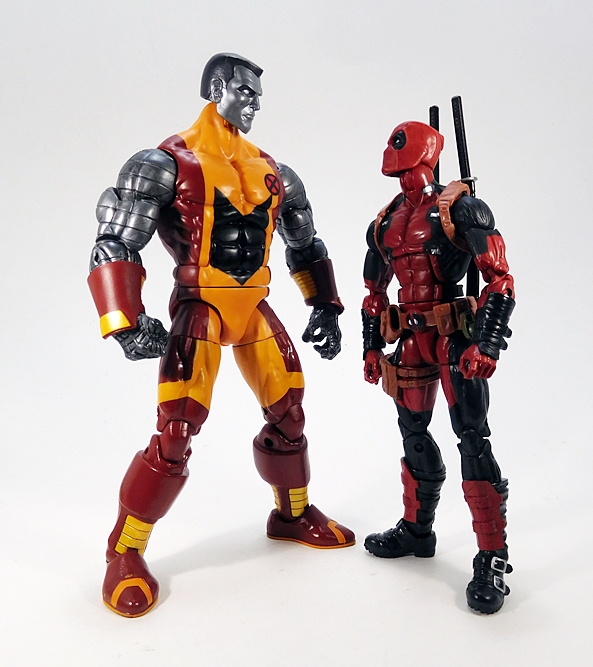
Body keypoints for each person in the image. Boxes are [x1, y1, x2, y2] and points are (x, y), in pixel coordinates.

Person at [89, 52, 354, 618]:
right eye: (244, 91)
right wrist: (125, 321)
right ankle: (124, 550)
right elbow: (114, 241)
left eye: (259, 95)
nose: (253, 103)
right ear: (215, 89)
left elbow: (305, 243)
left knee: (290, 414)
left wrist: (325, 306)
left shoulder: (273, 170)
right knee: (177, 429)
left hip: (253, 304)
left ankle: (291, 515)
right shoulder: (165, 163)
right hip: (201, 304)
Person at [361, 120, 515, 614]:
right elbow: (374, 292)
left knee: (472, 438)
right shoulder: (385, 221)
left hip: (453, 338)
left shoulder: (459, 208)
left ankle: (492, 556)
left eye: (401, 145)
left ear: (426, 153)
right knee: (412, 433)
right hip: (410, 340)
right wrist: (370, 346)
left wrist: (487, 343)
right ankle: (417, 529)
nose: (394, 155)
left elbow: (499, 279)